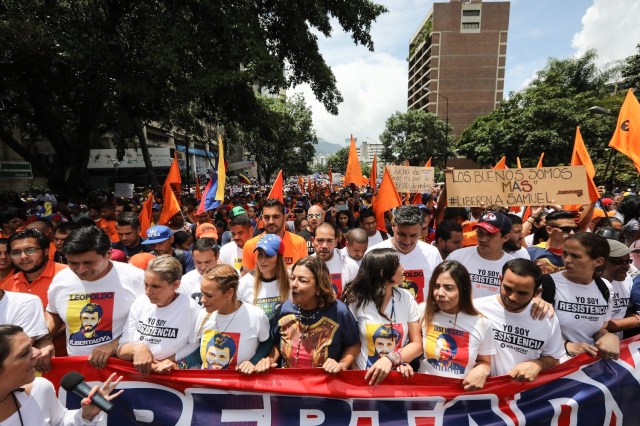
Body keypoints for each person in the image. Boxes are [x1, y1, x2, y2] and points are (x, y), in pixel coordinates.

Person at [45, 226, 145, 367]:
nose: (81, 270)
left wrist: (115, 345)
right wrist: (44, 339)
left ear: (108, 254)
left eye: (89, 262)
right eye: (73, 263)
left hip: (123, 368)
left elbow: (150, 320)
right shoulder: (61, 279)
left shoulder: (136, 278)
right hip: (78, 369)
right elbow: (52, 311)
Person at [0, 325, 123, 425]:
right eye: (24, 353)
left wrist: (86, 415)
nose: (37, 352)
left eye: (32, 346)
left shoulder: (40, 388)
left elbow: (59, 421)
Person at [255, 256, 360, 373]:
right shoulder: (284, 309)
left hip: (323, 386)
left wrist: (341, 365)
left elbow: (354, 345)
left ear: (319, 288)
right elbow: (276, 343)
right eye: (292, 278)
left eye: (302, 280)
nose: (294, 284)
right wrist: (268, 360)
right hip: (288, 386)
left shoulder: (339, 312)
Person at [474, 259, 564, 381]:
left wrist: (538, 364)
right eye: (508, 288)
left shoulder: (547, 318)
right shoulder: (476, 308)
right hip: (482, 392)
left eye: (522, 293)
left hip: (524, 396)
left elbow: (553, 358)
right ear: (500, 280)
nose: (512, 297)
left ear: (536, 293)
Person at [342, 248, 422, 385]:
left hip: (395, 381)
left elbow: (417, 344)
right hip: (363, 380)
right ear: (382, 272)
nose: (403, 268)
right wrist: (356, 375)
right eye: (397, 265)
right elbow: (350, 344)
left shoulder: (406, 298)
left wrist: (392, 359)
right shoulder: (355, 302)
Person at [540, 233, 619, 361]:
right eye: (565, 253)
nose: (567, 260)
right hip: (552, 366)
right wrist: (566, 345)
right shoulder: (546, 285)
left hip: (586, 369)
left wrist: (607, 336)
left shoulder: (605, 288)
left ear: (598, 262)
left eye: (575, 256)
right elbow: (531, 328)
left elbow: (599, 328)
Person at [419, 260, 495, 391]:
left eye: (448, 288)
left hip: (460, 398)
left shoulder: (482, 323)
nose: (440, 293)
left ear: (463, 289)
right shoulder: (422, 311)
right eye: (436, 286)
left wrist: (481, 370)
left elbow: (485, 362)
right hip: (425, 393)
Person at [118, 256, 199, 374]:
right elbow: (122, 348)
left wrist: (169, 363)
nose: (148, 292)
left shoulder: (191, 309)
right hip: (140, 378)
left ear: (175, 285)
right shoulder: (140, 303)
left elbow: (196, 347)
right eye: (146, 285)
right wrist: (137, 349)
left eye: (156, 286)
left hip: (176, 378)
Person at [196, 265, 271, 373]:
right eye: (202, 293)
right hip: (206, 388)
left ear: (229, 293)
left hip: (241, 388)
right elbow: (198, 351)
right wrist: (179, 364)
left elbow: (266, 342)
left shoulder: (255, 316)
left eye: (209, 295)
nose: (203, 300)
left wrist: (253, 362)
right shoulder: (202, 315)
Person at [368, 205, 442, 303]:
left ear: (421, 229)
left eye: (413, 235)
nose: (407, 241)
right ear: (393, 226)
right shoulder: (374, 254)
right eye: (401, 234)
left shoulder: (432, 253)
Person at [446, 211, 514, 299]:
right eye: (480, 232)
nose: (483, 239)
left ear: (506, 237)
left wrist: (536, 299)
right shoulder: (456, 258)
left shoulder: (513, 266)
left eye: (491, 234)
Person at [6, 229, 67, 308]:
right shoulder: (9, 285)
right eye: (16, 252)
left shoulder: (68, 275)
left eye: (30, 250)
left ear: (46, 251)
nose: (23, 256)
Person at [242, 199, 307, 273]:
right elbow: (248, 279)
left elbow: (303, 274)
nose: (271, 221)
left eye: (276, 217)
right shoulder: (250, 245)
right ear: (262, 218)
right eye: (266, 217)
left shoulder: (299, 242)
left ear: (284, 217)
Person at [237, 234, 290, 319]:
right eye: (260, 254)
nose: (262, 260)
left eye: (269, 255)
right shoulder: (245, 282)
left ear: (279, 257)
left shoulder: (291, 281)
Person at [602, 239, 640, 338]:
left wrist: (634, 319)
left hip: (620, 345)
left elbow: (628, 311)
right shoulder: (591, 283)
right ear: (601, 262)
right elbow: (602, 325)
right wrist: (636, 320)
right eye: (618, 261)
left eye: (628, 261)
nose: (626, 266)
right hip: (589, 348)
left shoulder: (627, 279)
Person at [312, 223, 359, 297]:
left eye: (329, 241)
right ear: (312, 241)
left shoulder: (350, 265)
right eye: (320, 240)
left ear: (336, 242)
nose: (324, 246)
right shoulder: (304, 267)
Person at [178, 237, 219, 304]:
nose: (203, 267)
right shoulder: (185, 281)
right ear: (193, 258)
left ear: (217, 256)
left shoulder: (230, 277)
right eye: (198, 262)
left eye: (207, 262)